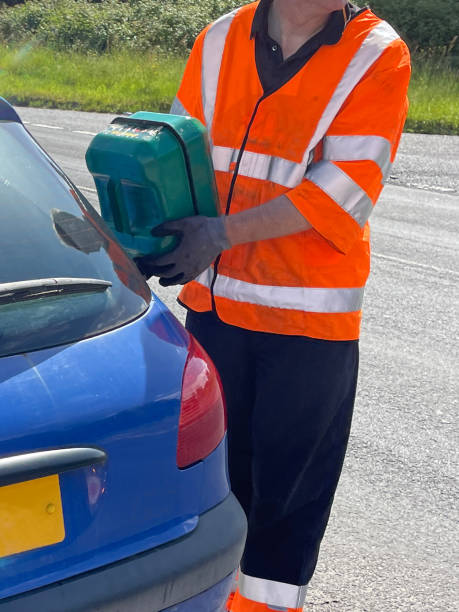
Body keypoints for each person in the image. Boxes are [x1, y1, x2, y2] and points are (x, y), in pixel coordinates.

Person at [136, 1, 411, 610]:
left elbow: (342, 192)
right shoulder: (219, 39)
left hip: (308, 325)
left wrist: (221, 234)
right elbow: (177, 155)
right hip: (215, 313)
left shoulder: (376, 53)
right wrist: (147, 234)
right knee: (209, 487)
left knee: (287, 499)